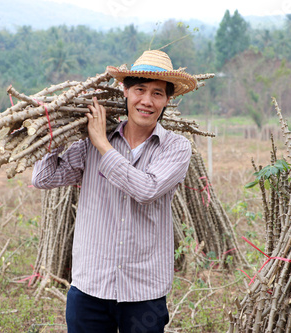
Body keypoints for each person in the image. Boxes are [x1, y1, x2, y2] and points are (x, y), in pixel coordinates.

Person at [31, 49, 198, 333]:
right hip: (90, 287)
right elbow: (43, 177)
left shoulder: (175, 148)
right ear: (125, 91)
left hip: (143, 291)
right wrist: (57, 128)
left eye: (157, 93)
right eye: (140, 90)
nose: (147, 101)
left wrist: (103, 146)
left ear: (169, 99)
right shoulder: (90, 143)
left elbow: (147, 189)